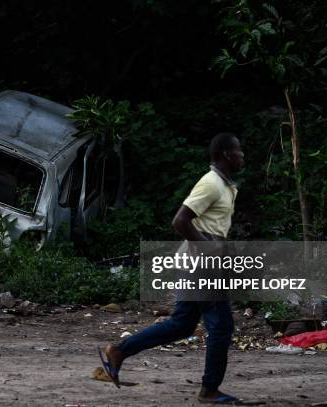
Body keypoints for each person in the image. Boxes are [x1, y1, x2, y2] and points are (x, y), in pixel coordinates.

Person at [98, 133, 245, 404]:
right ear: (226, 154)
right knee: (221, 327)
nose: (242, 155)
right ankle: (209, 390)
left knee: (182, 325)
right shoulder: (211, 183)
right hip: (201, 265)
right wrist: (209, 248)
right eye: (238, 151)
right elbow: (180, 221)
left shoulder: (224, 186)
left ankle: (119, 351)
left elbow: (209, 226)